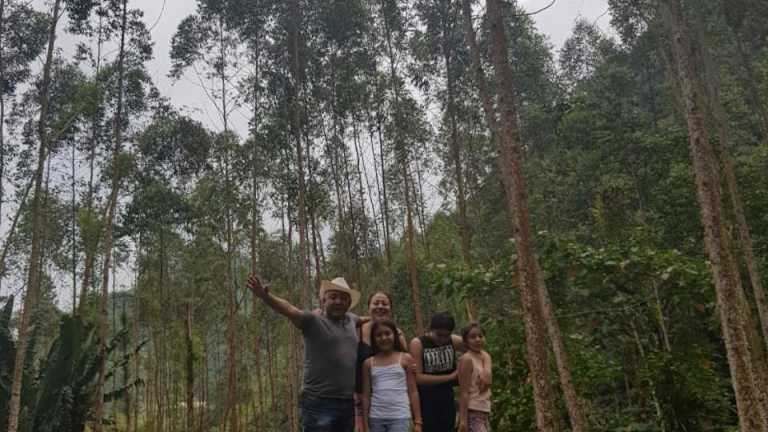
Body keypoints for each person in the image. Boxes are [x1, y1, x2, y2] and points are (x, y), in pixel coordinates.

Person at [248, 275, 361, 432]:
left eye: (343, 298)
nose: (338, 301)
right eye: (333, 297)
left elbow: (364, 319)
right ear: (323, 301)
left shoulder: (352, 320)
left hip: (347, 403)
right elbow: (289, 310)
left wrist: (381, 318)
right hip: (318, 403)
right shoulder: (313, 320)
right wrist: (265, 296)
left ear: (348, 303)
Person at [355, 293, 408, 431]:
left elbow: (405, 364)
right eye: (376, 303)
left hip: (390, 404)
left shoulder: (396, 334)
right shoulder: (357, 329)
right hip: (359, 399)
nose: (380, 306)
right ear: (368, 307)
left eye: (384, 304)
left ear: (391, 309)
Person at [361, 319, 422, 432]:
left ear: (394, 335)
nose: (384, 338)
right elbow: (366, 395)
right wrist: (365, 422)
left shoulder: (405, 358)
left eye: (387, 333)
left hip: (400, 417)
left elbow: (413, 391)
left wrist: (418, 421)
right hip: (376, 417)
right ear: (373, 338)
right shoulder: (368, 363)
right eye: (378, 335)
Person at [409, 312, 465, 432]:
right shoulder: (418, 343)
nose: (443, 339)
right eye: (439, 335)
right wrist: (450, 377)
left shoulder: (453, 340)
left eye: (446, 335)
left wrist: (465, 363)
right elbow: (418, 378)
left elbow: (476, 347)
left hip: (447, 398)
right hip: (425, 400)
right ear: (430, 329)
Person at [458, 323, 492, 432]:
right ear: (466, 341)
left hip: (484, 409)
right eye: (472, 337)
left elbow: (487, 380)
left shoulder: (485, 356)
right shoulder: (466, 359)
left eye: (480, 336)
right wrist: (463, 421)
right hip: (473, 410)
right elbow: (464, 392)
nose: (478, 339)